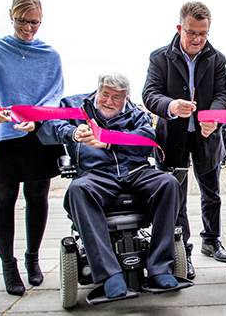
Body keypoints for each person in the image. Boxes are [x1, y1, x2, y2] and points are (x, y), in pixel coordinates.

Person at [38, 73, 183, 298]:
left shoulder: (135, 113)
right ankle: (109, 275)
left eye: (117, 97)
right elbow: (48, 129)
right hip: (97, 174)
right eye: (105, 94)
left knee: (168, 183)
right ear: (97, 91)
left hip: (135, 171)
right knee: (78, 189)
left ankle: (159, 268)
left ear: (126, 98)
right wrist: (73, 133)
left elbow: (146, 139)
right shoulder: (75, 108)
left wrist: (109, 140)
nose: (109, 101)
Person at [0, 0, 64, 296]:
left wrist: (36, 119)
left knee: (37, 198)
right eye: (22, 21)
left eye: (34, 22)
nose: (28, 27)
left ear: (41, 21)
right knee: (3, 200)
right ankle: (8, 266)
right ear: (11, 16)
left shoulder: (50, 56)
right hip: (2, 136)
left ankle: (32, 260)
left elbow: (54, 94)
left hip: (36, 136)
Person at [143, 2, 226, 280]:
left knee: (212, 193)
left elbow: (222, 94)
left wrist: (214, 116)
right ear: (179, 27)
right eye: (192, 32)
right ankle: (184, 250)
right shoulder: (159, 58)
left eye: (203, 34)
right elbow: (150, 94)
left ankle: (211, 240)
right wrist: (171, 106)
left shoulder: (217, 59)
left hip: (206, 137)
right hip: (173, 139)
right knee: (176, 198)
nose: (197, 39)